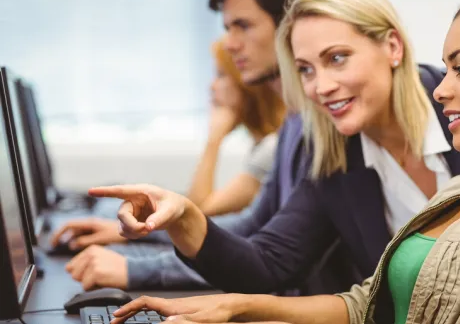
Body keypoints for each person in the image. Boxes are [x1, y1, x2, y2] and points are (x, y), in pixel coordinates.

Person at [101, 0, 460, 323]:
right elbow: (286, 269)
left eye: (336, 59)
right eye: (305, 71)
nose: (319, 87)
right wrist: (186, 222)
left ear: (391, 47)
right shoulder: (339, 155)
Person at [51, 0, 324, 292]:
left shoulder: (323, 130)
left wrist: (134, 268)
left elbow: (271, 259)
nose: (230, 44)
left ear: (292, 26)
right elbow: (251, 227)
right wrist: (150, 228)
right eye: (227, 28)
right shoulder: (294, 125)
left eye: (244, 26)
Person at [53, 38, 286, 290]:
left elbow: (201, 210)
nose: (212, 86)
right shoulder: (266, 143)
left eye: (221, 75)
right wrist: (140, 230)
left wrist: (214, 139)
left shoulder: (272, 147)